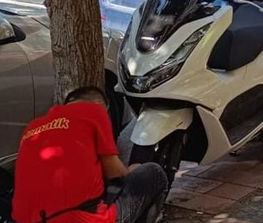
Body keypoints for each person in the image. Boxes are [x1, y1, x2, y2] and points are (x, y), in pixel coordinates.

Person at [12, 87, 167, 223]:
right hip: (81, 219)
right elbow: (116, 174)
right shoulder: (94, 111)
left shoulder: (32, 127)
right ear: (101, 106)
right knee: (154, 172)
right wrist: (132, 169)